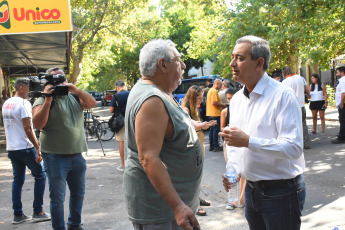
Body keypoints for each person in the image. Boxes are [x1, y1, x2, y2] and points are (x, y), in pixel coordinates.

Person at [220, 35, 306, 230]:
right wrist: (233, 171)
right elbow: (234, 143)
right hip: (251, 191)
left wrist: (249, 141)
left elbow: (293, 148)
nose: (232, 63)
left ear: (259, 63)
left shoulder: (282, 96)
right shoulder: (237, 100)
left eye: (240, 58)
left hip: (281, 193)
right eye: (233, 57)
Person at [123, 39, 202, 230]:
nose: (183, 65)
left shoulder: (156, 91)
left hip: (167, 209)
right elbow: (148, 158)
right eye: (179, 60)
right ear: (163, 64)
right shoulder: (152, 99)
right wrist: (178, 206)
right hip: (161, 213)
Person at [32, 67, 96, 230]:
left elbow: (91, 103)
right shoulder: (41, 99)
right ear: (48, 82)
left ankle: (74, 224)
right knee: (58, 198)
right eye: (55, 80)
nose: (59, 83)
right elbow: (38, 124)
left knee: (78, 194)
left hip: (77, 155)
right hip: (55, 157)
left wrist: (77, 89)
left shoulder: (74, 97)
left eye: (61, 79)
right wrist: (48, 100)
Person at [2, 79, 51, 224]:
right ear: (21, 88)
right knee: (41, 176)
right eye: (28, 88)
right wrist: (37, 147)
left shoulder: (7, 103)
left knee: (18, 180)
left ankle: (18, 214)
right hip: (25, 147)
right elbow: (28, 128)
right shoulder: (24, 104)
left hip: (12, 148)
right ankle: (38, 211)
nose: (29, 91)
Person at [182, 85, 217, 216]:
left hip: (199, 144)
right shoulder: (185, 110)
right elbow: (188, 128)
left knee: (198, 175)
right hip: (192, 147)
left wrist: (203, 126)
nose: (201, 101)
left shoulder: (195, 109)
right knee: (192, 176)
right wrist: (201, 126)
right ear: (192, 97)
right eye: (199, 98)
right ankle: (194, 205)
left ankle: (197, 199)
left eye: (202, 98)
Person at [219, 87, 245, 210]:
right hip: (229, 144)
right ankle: (232, 200)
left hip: (243, 142)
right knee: (231, 169)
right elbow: (221, 128)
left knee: (244, 170)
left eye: (232, 98)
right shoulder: (225, 111)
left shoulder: (243, 109)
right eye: (228, 98)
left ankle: (242, 198)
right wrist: (227, 129)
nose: (230, 100)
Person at [282, 66, 311, 149]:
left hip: (291, 106)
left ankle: (296, 143)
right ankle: (306, 143)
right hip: (301, 105)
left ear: (284, 74)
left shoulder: (285, 82)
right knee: (303, 124)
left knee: (293, 125)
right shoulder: (301, 78)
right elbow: (306, 90)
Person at [109, 80, 129, 172]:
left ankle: (123, 164)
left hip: (120, 122)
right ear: (124, 86)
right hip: (131, 120)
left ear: (117, 87)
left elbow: (111, 110)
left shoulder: (116, 96)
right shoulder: (131, 93)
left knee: (121, 142)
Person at [206, 78, 227, 152]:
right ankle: (216, 146)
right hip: (215, 113)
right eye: (220, 85)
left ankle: (212, 146)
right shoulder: (214, 91)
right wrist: (223, 105)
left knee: (212, 130)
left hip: (210, 113)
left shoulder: (210, 91)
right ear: (217, 84)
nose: (221, 87)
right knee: (216, 130)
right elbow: (214, 103)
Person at [331, 66, 345, 144]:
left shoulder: (343, 81)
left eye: (337, 72)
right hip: (342, 103)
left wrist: (342, 104)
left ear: (342, 72)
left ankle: (341, 137)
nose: (336, 73)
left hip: (343, 104)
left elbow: (343, 93)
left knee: (342, 121)